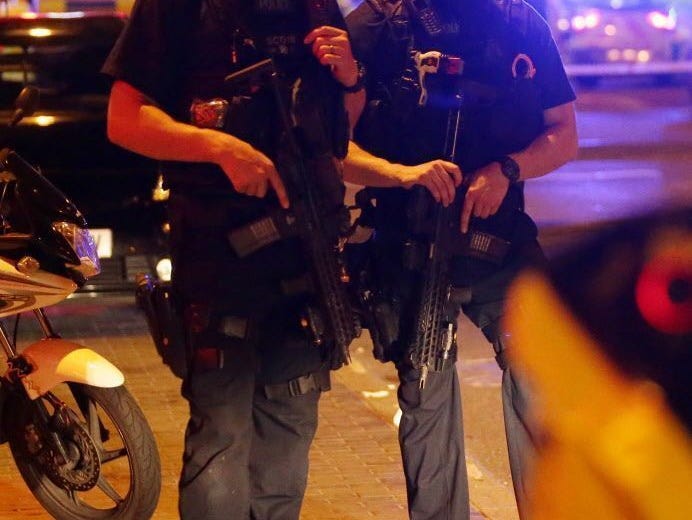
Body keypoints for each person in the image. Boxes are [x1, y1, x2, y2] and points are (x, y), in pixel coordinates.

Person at [101, 0, 366, 518]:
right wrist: (221, 149)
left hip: (304, 258)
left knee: (291, 420)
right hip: (221, 257)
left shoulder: (314, 6)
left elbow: (340, 136)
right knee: (221, 428)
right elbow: (124, 119)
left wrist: (351, 78)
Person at [338, 0, 579, 518]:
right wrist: (402, 174)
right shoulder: (376, 26)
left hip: (502, 242)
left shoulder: (519, 22)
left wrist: (509, 170)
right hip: (409, 244)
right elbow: (334, 150)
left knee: (544, 380)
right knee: (426, 399)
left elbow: (563, 131)